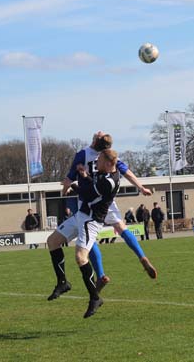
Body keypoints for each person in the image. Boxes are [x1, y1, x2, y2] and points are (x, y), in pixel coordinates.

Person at [63, 132, 156, 287]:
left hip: (88, 201)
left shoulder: (83, 154)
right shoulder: (109, 155)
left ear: (94, 140)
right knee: (121, 227)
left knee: (88, 239)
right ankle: (142, 256)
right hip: (107, 201)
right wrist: (140, 187)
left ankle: (100, 275)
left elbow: (70, 178)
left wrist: (65, 190)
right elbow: (126, 172)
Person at [46, 149, 121, 318]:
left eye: (99, 160)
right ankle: (62, 282)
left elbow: (88, 194)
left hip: (92, 220)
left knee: (81, 257)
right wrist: (84, 176)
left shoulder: (110, 181)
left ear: (108, 163)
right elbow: (93, 186)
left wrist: (72, 184)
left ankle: (95, 298)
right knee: (52, 241)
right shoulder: (105, 174)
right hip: (82, 215)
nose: (96, 162)